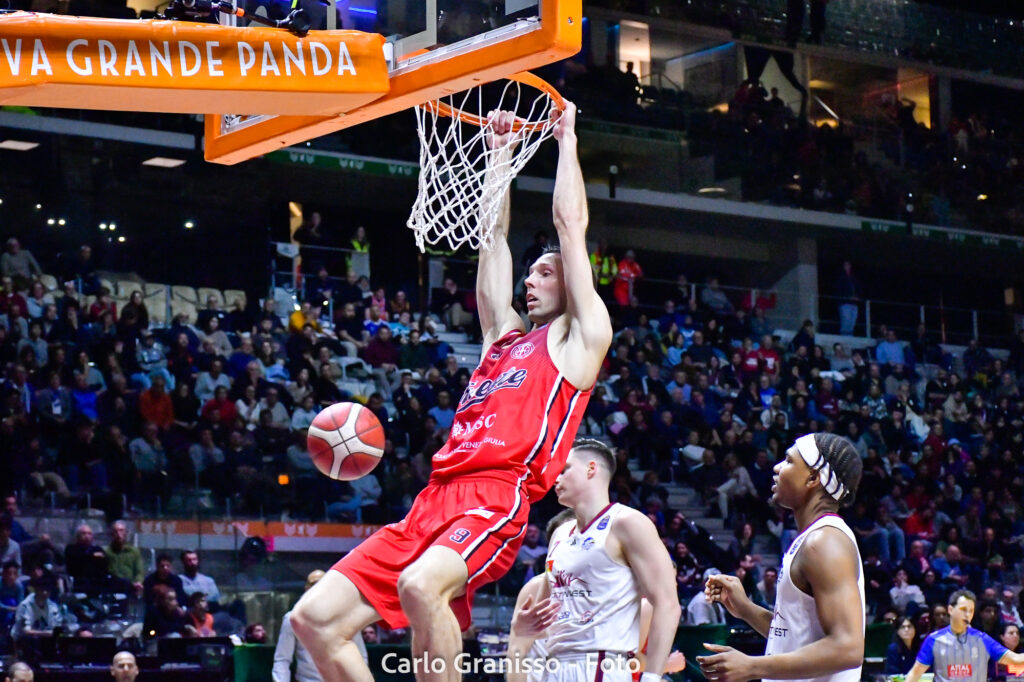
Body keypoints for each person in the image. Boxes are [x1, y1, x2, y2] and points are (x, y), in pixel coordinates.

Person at [289, 101, 613, 682]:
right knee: (311, 620)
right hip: (433, 498)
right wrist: (499, 153)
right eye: (530, 273)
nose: (530, 281)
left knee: (420, 586)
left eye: (545, 272)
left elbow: (571, 227)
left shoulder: (578, 341)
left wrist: (566, 140)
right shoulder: (502, 339)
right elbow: (492, 236)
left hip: (494, 495)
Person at [506, 439, 681, 682]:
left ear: (591, 469)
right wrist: (523, 628)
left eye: (564, 469)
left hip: (601, 664)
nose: (555, 478)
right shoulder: (559, 534)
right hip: (554, 664)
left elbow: (667, 603)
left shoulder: (628, 522)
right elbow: (550, 610)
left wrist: (651, 677)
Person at [699, 432, 865, 681]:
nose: (777, 467)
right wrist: (745, 609)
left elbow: (848, 648)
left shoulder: (824, 542)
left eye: (788, 461)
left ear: (813, 478)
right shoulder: (813, 538)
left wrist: (752, 666)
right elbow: (795, 637)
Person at [905, 590, 1024, 682]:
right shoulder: (933, 640)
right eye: (963, 609)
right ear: (950, 609)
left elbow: (1015, 659)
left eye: (971, 611)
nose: (967, 614)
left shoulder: (982, 639)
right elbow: (915, 674)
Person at [275, 570, 367, 682]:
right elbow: (282, 660)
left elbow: (360, 657)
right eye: (313, 584)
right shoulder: (292, 619)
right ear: (306, 588)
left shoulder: (346, 617)